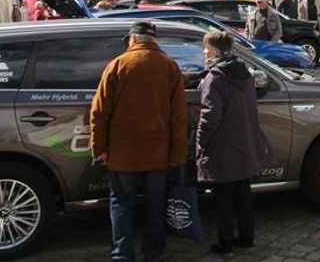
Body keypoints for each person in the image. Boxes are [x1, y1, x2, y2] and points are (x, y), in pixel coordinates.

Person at [89, 22, 187, 262]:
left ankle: (122, 253)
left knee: (121, 204)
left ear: (132, 39)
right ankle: (153, 251)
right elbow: (179, 116)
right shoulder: (169, 66)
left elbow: (99, 111)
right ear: (154, 40)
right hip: (158, 152)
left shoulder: (118, 64)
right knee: (156, 204)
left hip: (122, 152)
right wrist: (177, 156)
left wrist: (99, 148)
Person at [196, 30, 271, 255]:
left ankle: (225, 243)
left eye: (206, 48)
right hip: (243, 141)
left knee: (224, 199)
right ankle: (247, 237)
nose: (204, 52)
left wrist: (201, 141)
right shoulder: (244, 72)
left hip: (222, 144)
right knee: (242, 195)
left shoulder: (215, 77)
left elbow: (210, 115)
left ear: (215, 50)